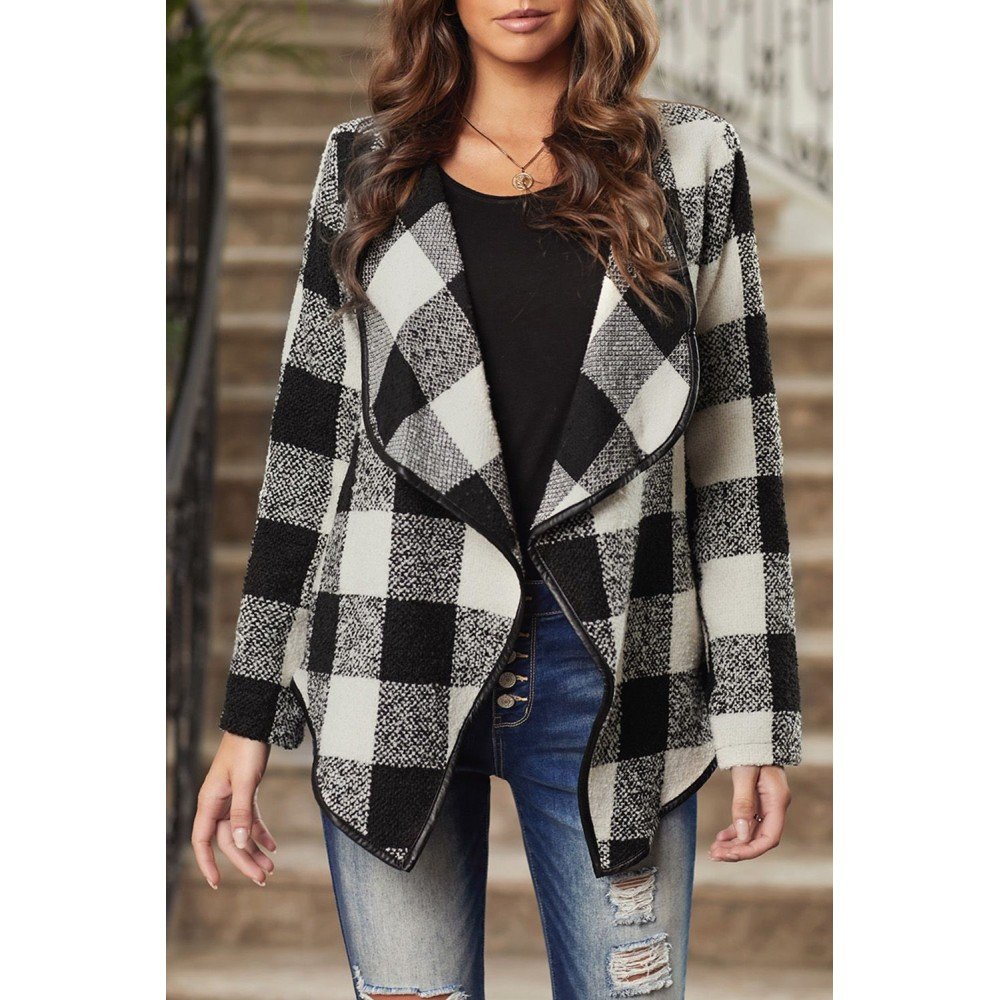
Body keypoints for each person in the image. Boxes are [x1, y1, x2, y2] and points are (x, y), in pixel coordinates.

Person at [192, 2, 803, 997]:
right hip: (392, 650)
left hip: (616, 668)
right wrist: (247, 717)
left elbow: (733, 453)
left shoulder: (690, 163)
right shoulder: (366, 164)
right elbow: (308, 448)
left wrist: (755, 715)